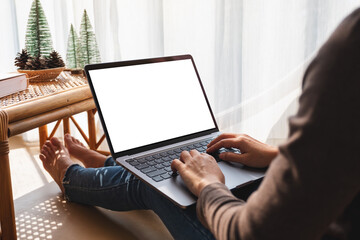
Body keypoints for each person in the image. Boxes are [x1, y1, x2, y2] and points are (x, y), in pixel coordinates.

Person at [40, 8, 360, 240]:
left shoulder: (351, 50)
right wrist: (276, 155)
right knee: (183, 171)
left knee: (160, 183)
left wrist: (208, 185)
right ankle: (112, 163)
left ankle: (73, 178)